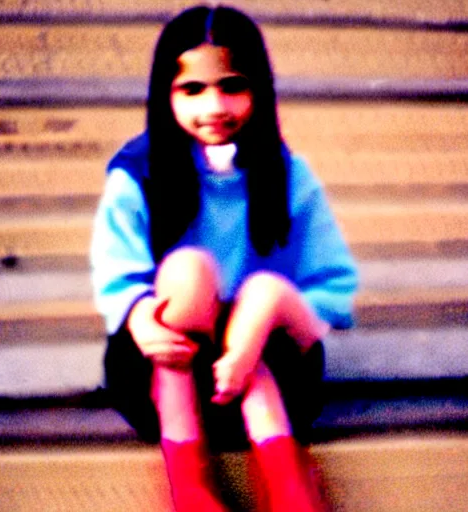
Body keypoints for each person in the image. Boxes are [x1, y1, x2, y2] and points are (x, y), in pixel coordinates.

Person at [91, 5, 358, 511]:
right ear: (165, 94)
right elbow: (116, 272)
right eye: (192, 89)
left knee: (261, 292)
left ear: (259, 89)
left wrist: (260, 324)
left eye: (232, 86)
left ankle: (286, 481)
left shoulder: (286, 175)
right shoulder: (138, 175)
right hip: (169, 369)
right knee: (188, 271)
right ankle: (190, 482)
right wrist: (138, 314)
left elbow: (331, 290)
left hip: (273, 375)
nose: (214, 106)